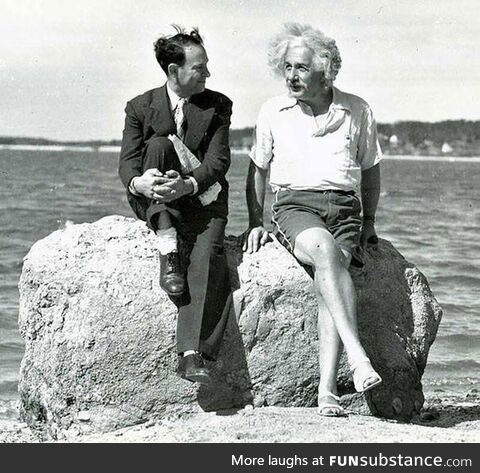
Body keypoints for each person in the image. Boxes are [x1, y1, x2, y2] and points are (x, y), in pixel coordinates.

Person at [243, 23, 383, 416]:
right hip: (294, 206)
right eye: (287, 67)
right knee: (324, 251)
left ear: (326, 69)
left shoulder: (357, 108)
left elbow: (370, 169)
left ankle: (326, 392)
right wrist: (256, 221)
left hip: (343, 209)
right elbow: (258, 169)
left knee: (330, 278)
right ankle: (357, 357)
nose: (291, 76)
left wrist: (368, 221)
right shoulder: (274, 110)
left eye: (301, 68)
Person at [119, 26, 232, 385]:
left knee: (209, 256)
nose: (207, 74)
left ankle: (190, 353)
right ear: (173, 71)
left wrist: (188, 184)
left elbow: (218, 162)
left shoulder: (218, 106)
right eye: (199, 68)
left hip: (203, 198)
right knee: (157, 146)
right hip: (156, 201)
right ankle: (167, 245)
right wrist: (140, 182)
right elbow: (127, 162)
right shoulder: (140, 106)